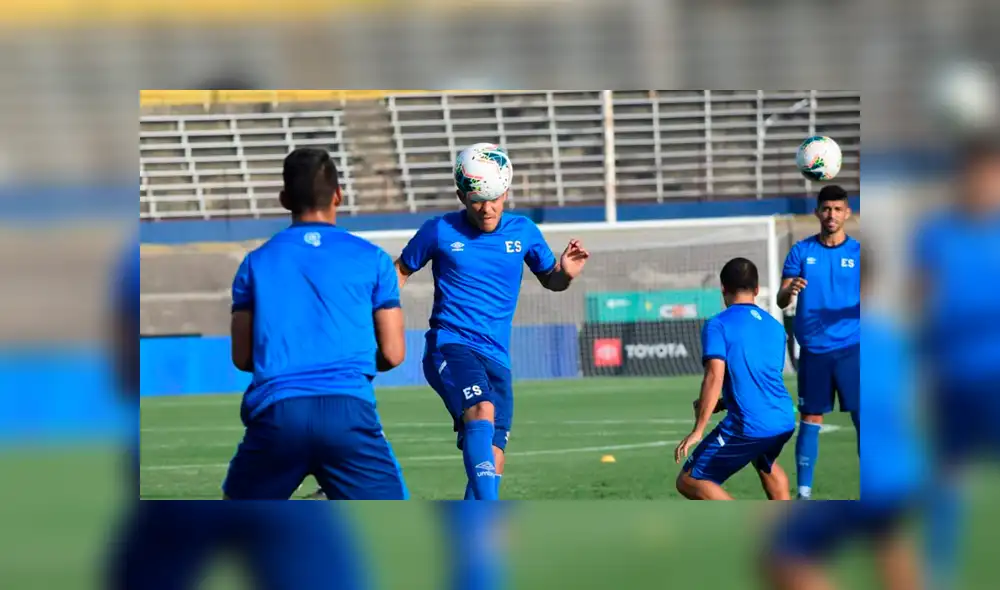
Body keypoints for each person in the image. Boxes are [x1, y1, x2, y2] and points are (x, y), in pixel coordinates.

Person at [397, 143, 589, 501]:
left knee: (494, 457)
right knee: (481, 409)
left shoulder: (524, 231)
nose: (487, 208)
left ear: (506, 191)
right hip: (450, 344)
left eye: (495, 198)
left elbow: (552, 280)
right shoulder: (438, 230)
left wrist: (567, 273)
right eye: (477, 200)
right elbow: (400, 271)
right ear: (461, 196)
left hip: (497, 357)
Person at [222, 147, 408, 500]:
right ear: (338, 194)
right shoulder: (374, 259)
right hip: (348, 414)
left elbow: (243, 358)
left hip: (277, 415)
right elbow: (394, 354)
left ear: (283, 199)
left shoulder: (254, 264)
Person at [766, 245, 924, 590]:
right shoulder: (891, 338)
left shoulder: (876, 341)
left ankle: (805, 495)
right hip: (900, 477)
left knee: (786, 553)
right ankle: (806, 489)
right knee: (893, 546)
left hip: (879, 482)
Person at [914, 133, 1000, 590]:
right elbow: (923, 299)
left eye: (992, 175)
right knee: (946, 477)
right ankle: (938, 573)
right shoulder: (936, 233)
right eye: (975, 174)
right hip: (953, 378)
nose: (984, 184)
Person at [674, 257, 796, 500]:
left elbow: (713, 375)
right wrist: (721, 404)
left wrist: (699, 429)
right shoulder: (775, 327)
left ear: (722, 289)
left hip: (750, 424)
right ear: (757, 289)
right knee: (765, 464)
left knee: (690, 480)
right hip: (783, 419)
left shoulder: (718, 324)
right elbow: (758, 379)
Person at [777, 184, 861, 500]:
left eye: (838, 209)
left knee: (864, 415)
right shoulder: (801, 252)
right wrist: (791, 289)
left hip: (853, 348)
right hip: (813, 350)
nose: (831, 214)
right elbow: (781, 299)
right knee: (810, 418)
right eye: (826, 208)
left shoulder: (859, 254)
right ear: (817, 212)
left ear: (847, 213)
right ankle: (804, 493)